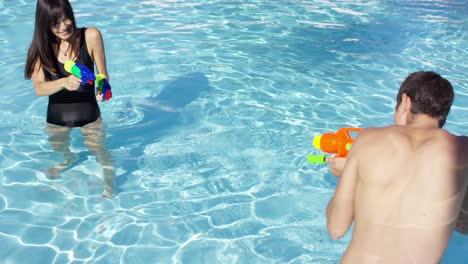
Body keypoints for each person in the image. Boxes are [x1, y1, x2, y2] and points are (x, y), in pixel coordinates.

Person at [325, 71, 468, 263]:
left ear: (405, 102)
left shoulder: (367, 140)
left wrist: (350, 176)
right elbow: (463, 225)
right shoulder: (461, 150)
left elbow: (336, 228)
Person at [24, 0, 115, 197]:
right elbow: (39, 89)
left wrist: (103, 88)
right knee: (60, 149)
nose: (64, 26)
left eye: (67, 18)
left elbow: (103, 75)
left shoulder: (90, 36)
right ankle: (68, 160)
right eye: (55, 22)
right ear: (44, 23)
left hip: (89, 114)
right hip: (57, 117)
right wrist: (63, 83)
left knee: (100, 152)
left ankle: (110, 188)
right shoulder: (40, 49)